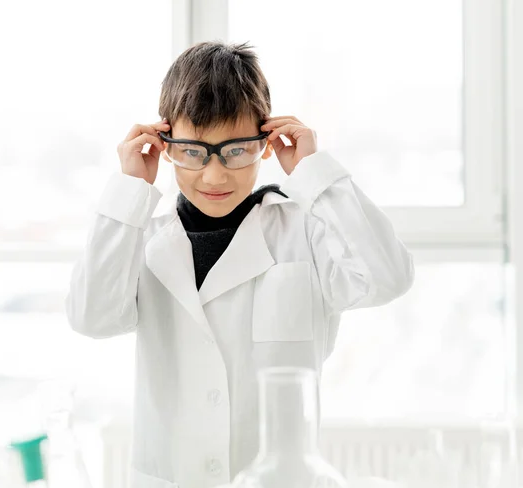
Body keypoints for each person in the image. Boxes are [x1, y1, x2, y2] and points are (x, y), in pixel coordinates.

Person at [65, 41, 414, 488]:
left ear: (266, 144)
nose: (214, 175)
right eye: (192, 151)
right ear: (165, 145)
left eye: (236, 150)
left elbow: (389, 277)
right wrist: (128, 188)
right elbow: (92, 317)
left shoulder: (304, 231)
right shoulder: (144, 238)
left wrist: (315, 172)